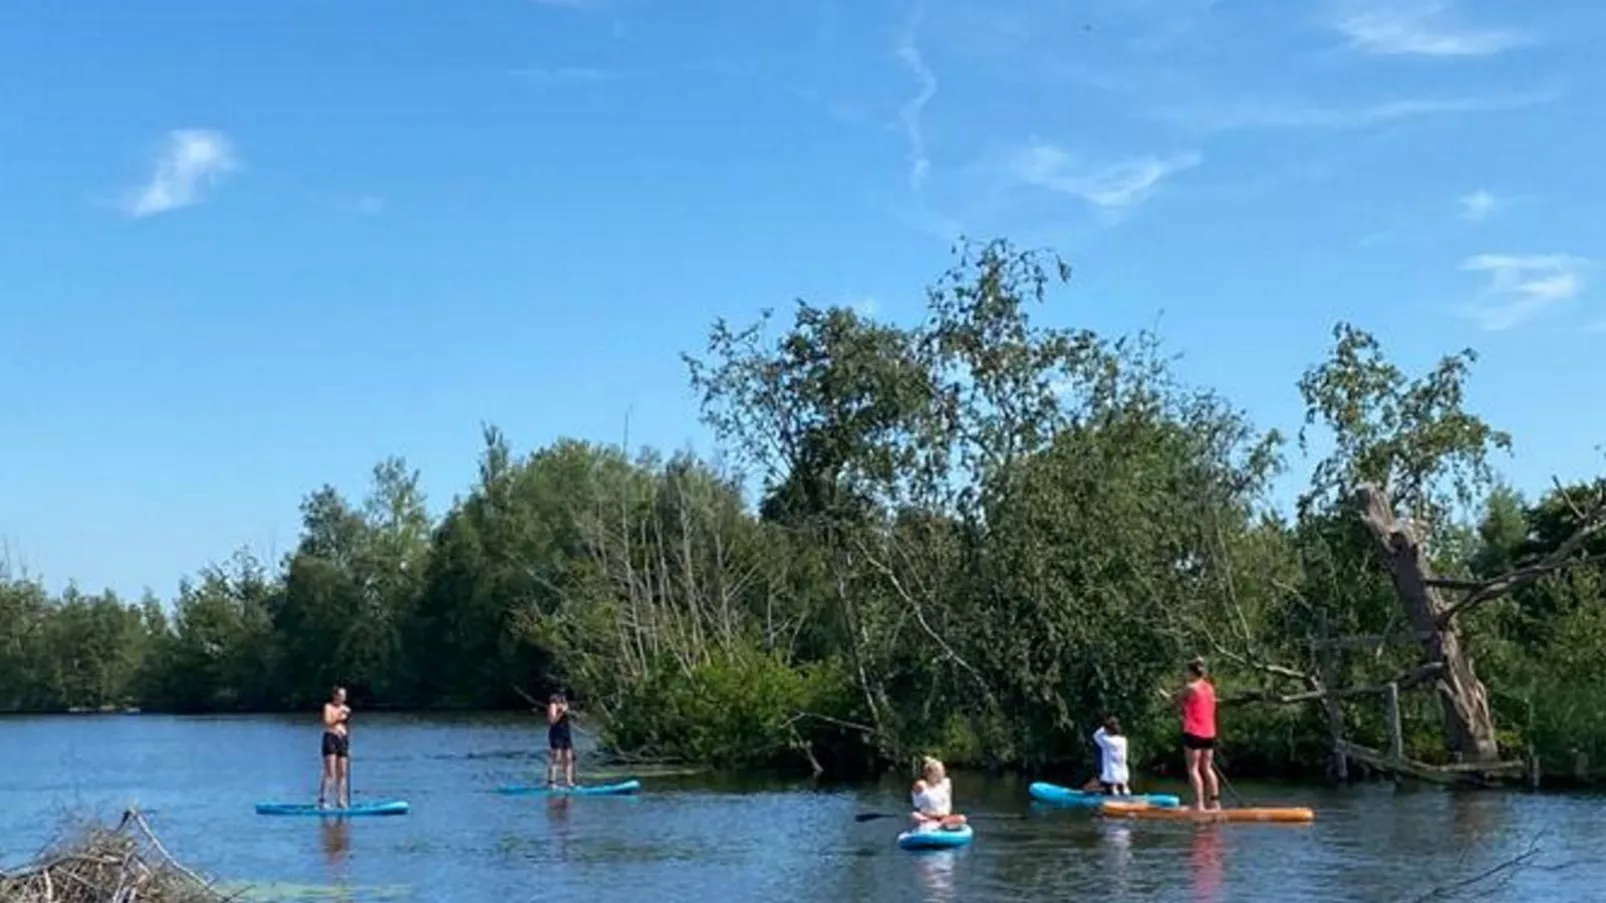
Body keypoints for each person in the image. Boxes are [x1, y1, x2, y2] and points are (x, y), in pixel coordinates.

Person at [1173, 657, 1220, 812]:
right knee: (1207, 768)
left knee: (1193, 769)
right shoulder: (1210, 687)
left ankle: (1199, 804)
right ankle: (1215, 803)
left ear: (1191, 672)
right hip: (1210, 732)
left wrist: (1172, 699)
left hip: (1194, 732)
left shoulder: (1190, 687)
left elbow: (1176, 702)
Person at [910, 756, 966, 831]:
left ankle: (939, 825)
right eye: (941, 772)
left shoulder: (945, 783)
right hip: (927, 817)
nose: (943, 774)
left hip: (943, 818)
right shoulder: (921, 785)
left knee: (962, 818)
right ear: (932, 774)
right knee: (914, 815)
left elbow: (948, 802)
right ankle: (931, 824)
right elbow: (916, 802)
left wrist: (934, 763)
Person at [318, 685, 351, 809]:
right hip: (330, 737)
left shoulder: (347, 709)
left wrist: (348, 744)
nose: (343, 698)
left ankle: (341, 800)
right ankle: (323, 800)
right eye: (341, 695)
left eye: (344, 695)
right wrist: (339, 716)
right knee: (330, 772)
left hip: (342, 739)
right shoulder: (328, 707)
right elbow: (327, 722)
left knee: (342, 772)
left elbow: (347, 726)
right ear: (336, 696)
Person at [1092, 716, 1131, 796]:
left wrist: (1104, 727)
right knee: (1123, 785)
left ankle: (1114, 795)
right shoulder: (1123, 740)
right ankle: (1126, 793)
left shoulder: (1106, 741)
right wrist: (1111, 724)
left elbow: (1096, 735)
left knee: (1111, 786)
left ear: (1108, 729)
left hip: (1111, 776)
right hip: (1123, 775)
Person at [546, 692, 576, 788]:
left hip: (565, 732)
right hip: (556, 733)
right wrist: (561, 712)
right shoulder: (553, 705)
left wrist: (567, 711)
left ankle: (569, 782)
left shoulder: (564, 705)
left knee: (568, 758)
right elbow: (552, 721)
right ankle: (551, 782)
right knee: (556, 758)